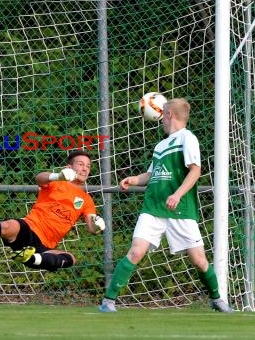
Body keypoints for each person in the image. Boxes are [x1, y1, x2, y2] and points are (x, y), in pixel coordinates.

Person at [99, 98, 233, 313]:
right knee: (135, 252)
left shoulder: (187, 139)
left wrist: (178, 194)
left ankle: (217, 299)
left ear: (169, 114)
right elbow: (152, 174)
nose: (161, 118)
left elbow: (195, 170)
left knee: (199, 260)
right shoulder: (161, 144)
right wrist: (134, 179)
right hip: (154, 208)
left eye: (163, 114)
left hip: (180, 209)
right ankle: (108, 301)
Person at [0, 150, 105, 271]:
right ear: (69, 166)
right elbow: (39, 178)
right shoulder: (57, 182)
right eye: (80, 164)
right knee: (8, 226)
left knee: (70, 258)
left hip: (44, 247)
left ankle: (30, 257)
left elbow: (91, 226)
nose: (84, 169)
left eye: (88, 166)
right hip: (30, 229)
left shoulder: (87, 199)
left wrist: (97, 226)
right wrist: (57, 176)